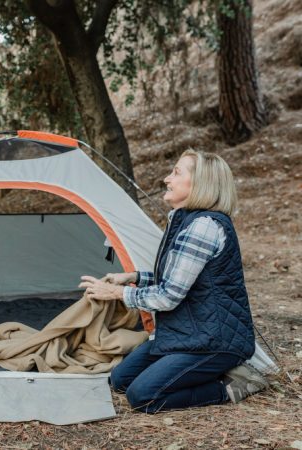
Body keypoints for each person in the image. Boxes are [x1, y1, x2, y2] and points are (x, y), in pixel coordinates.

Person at [79, 149, 268, 413]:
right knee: (120, 380)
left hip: (214, 341)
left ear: (201, 183)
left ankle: (233, 384)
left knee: (142, 396)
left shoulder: (204, 226)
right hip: (187, 333)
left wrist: (115, 292)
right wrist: (133, 277)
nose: (167, 179)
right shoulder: (181, 219)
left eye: (176, 172)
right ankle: (196, 373)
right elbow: (179, 278)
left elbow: (168, 296)